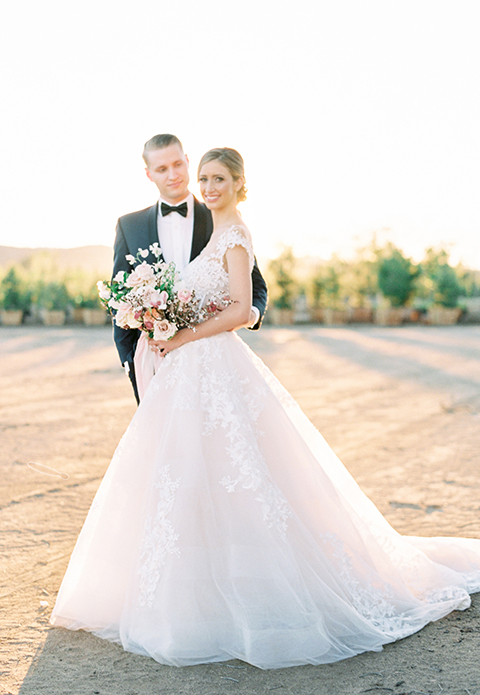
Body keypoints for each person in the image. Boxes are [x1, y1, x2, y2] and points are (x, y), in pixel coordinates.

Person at [50, 148, 480, 670]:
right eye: (201, 178)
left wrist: (188, 332)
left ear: (235, 182)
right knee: (178, 476)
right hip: (176, 368)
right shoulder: (174, 226)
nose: (204, 186)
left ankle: (250, 588)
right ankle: (192, 580)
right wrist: (150, 332)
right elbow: (131, 297)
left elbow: (243, 301)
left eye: (213, 177)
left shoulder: (231, 231)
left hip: (209, 362)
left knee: (241, 473)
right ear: (150, 172)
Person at [112, 134, 268, 402]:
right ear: (149, 174)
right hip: (152, 363)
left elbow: (255, 286)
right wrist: (130, 361)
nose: (172, 175)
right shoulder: (130, 226)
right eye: (162, 169)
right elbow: (120, 298)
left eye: (177, 164)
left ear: (187, 161)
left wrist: (244, 317)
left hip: (207, 360)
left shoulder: (220, 215)